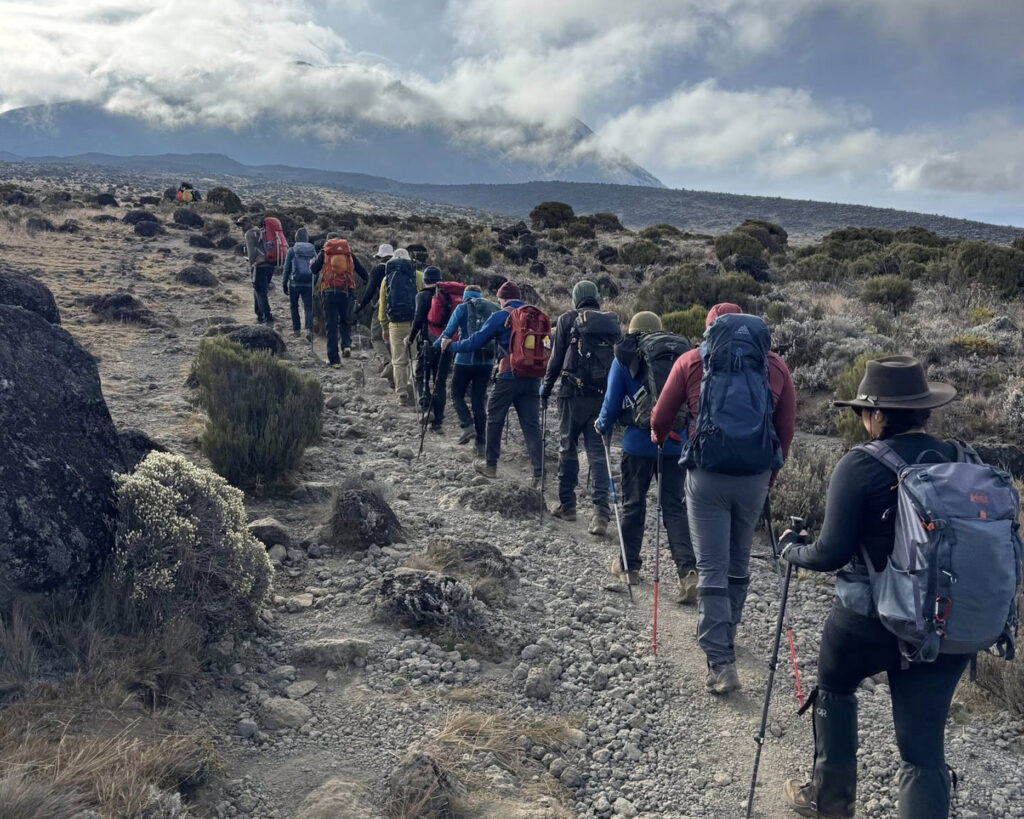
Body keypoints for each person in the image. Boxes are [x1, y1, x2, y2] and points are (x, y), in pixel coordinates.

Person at [779, 356, 965, 819]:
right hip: (943, 624)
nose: (863, 420)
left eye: (865, 411)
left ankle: (830, 801)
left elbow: (831, 553)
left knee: (835, 683)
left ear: (879, 415)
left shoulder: (859, 466)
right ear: (923, 410)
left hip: (871, 621)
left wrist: (790, 551)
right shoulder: (961, 460)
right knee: (923, 749)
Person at [651, 302, 796, 694]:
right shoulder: (775, 366)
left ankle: (721, 662)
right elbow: (785, 428)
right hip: (754, 477)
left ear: (710, 329)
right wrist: (771, 474)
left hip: (708, 475)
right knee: (738, 558)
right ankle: (728, 628)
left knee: (711, 564)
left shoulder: (691, 361)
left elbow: (661, 416)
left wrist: (660, 436)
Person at [596, 311, 697, 602]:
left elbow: (612, 402)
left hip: (638, 445)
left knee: (634, 504)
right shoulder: (681, 357)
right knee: (674, 509)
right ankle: (688, 573)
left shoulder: (624, 357)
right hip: (676, 444)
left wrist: (602, 425)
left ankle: (629, 567)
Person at [442, 281, 544, 484]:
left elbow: (476, 341)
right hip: (533, 376)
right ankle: (539, 473)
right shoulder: (535, 315)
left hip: (508, 375)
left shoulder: (501, 315)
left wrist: (451, 346)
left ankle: (491, 465)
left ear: (503, 298)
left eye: (499, 299)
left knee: (495, 418)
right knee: (531, 425)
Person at [542, 281, 619, 536]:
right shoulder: (610, 323)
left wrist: (545, 388)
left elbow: (555, 360)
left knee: (567, 447)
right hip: (601, 397)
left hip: (571, 395)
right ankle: (601, 513)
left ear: (576, 298)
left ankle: (568, 504)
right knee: (598, 454)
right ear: (596, 297)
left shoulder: (567, 320)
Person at [436, 285, 499, 457]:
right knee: (479, 401)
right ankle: (481, 444)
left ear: (465, 296)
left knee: (456, 394)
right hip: (486, 362)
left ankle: (467, 425)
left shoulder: (462, 308)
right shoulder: (492, 308)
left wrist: (436, 347)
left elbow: (448, 333)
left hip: (464, 360)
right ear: (480, 295)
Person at [407, 266, 454, 432]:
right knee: (439, 381)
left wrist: (411, 339)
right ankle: (438, 422)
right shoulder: (447, 296)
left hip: (428, 344)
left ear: (425, 280)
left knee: (421, 374)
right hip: (446, 345)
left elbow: (419, 319)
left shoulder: (422, 296)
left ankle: (426, 408)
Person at [312, 233, 369, 366]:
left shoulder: (324, 252)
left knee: (331, 326)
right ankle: (346, 345)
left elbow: (314, 269)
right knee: (345, 320)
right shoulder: (348, 253)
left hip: (329, 292)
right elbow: (363, 272)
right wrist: (366, 281)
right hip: (346, 291)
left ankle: (334, 361)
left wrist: (312, 264)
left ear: (328, 241)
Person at [378, 249, 423, 404]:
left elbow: (383, 305)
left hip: (395, 324)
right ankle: (414, 386)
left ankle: (402, 393)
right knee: (415, 356)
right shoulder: (417, 276)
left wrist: (384, 326)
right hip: (415, 323)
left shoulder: (387, 278)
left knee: (398, 360)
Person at [358, 243, 395, 372]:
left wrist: (360, 306)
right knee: (394, 335)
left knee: (376, 337)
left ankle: (387, 362)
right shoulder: (401, 268)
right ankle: (397, 362)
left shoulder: (378, 270)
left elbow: (369, 291)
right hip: (403, 307)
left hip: (383, 304)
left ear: (380, 257)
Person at [239, 216, 275, 325]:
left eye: (243, 224)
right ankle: (259, 315)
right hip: (269, 265)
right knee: (259, 291)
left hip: (259, 266)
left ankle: (267, 317)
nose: (242, 227)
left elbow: (251, 253)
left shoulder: (250, 234)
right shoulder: (261, 232)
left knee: (260, 292)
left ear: (249, 223)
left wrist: (251, 265)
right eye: (240, 225)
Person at [281, 227, 316, 339]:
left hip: (294, 283)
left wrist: (284, 283)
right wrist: (314, 282)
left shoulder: (292, 250)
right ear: (306, 238)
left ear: (296, 238)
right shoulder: (312, 250)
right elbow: (317, 267)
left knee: (294, 306)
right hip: (308, 283)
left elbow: (286, 268)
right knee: (308, 307)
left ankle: (296, 330)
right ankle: (308, 330)